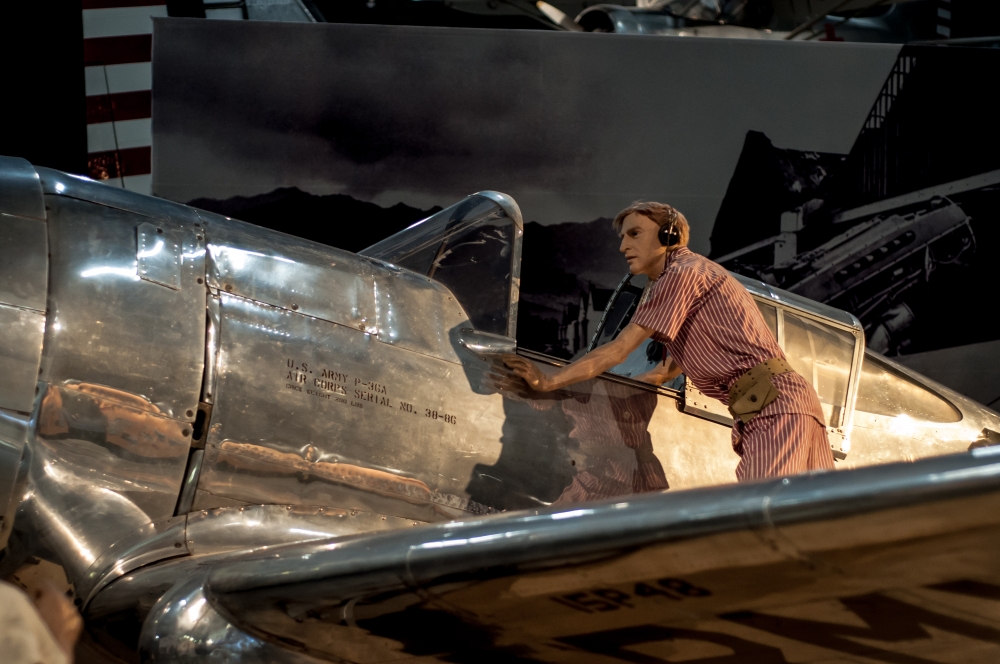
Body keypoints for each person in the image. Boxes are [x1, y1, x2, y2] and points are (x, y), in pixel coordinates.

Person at [503, 201, 834, 481]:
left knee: (758, 516)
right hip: (787, 404)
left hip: (773, 408)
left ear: (668, 235)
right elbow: (667, 369)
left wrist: (549, 380)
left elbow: (619, 349)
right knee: (819, 526)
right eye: (623, 237)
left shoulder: (680, 274)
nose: (623, 247)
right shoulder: (694, 277)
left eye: (635, 234)